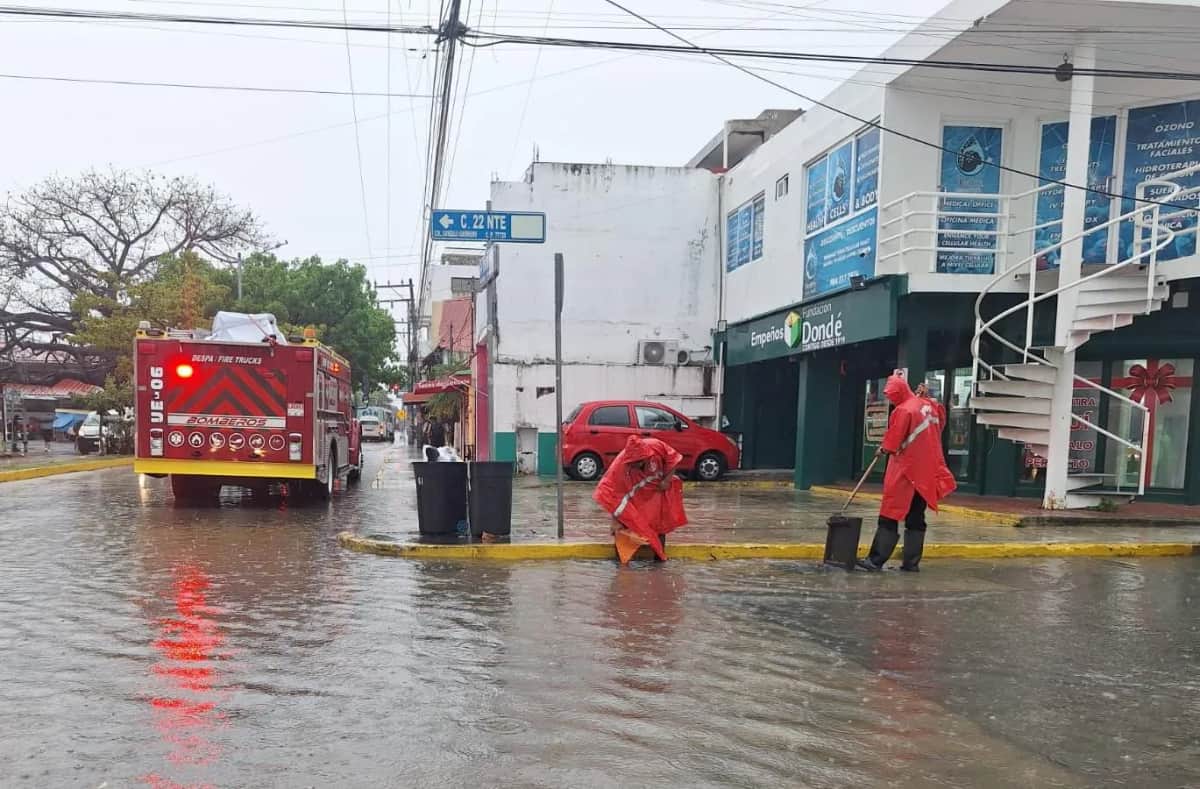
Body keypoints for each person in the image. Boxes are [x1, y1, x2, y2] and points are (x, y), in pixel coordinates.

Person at [858, 373, 957, 573]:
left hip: (906, 471)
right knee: (916, 518)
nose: (891, 400)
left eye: (892, 396)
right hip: (926, 472)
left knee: (889, 515)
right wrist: (925, 398)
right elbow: (942, 420)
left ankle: (876, 560)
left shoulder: (903, 410)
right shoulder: (929, 405)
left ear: (898, 393)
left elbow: (894, 439)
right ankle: (911, 563)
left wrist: (883, 448)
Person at [593, 435, 688, 564]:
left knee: (659, 523)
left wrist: (667, 480)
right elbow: (612, 497)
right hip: (632, 495)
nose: (635, 465)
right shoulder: (620, 467)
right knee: (624, 523)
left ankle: (658, 560)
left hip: (655, 491)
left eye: (638, 463)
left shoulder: (656, 446)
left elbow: (674, 459)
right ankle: (621, 561)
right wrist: (615, 520)